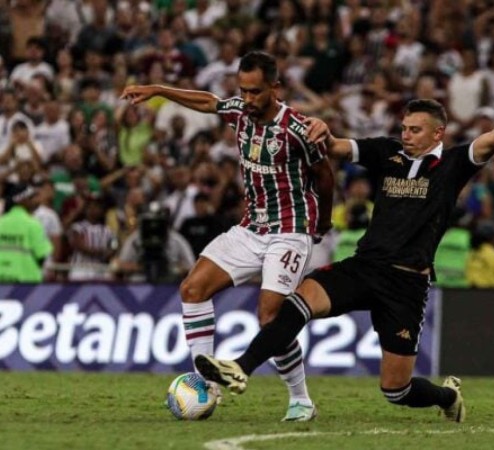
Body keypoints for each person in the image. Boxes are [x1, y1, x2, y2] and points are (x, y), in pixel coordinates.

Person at [193, 90, 494, 422]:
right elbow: (335, 146)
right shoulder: (387, 153)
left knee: (395, 390)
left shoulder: (453, 164)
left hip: (406, 284)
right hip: (364, 266)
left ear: (438, 134)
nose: (406, 134)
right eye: (404, 127)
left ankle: (448, 396)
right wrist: (315, 128)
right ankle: (240, 367)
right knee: (299, 300)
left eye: (416, 129)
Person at [121, 51, 334, 422]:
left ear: (274, 87)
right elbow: (209, 102)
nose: (248, 100)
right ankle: (206, 383)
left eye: (255, 92)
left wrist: (322, 222)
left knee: (270, 316)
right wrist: (157, 90)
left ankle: (300, 399)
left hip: (291, 229)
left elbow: (326, 176)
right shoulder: (239, 112)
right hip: (252, 228)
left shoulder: (298, 129)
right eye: (243, 91)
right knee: (193, 288)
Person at [0, 183, 53, 282]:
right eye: (32, 197)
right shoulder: (33, 224)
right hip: (26, 282)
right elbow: (42, 255)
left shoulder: (1, 222)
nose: (36, 201)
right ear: (22, 200)